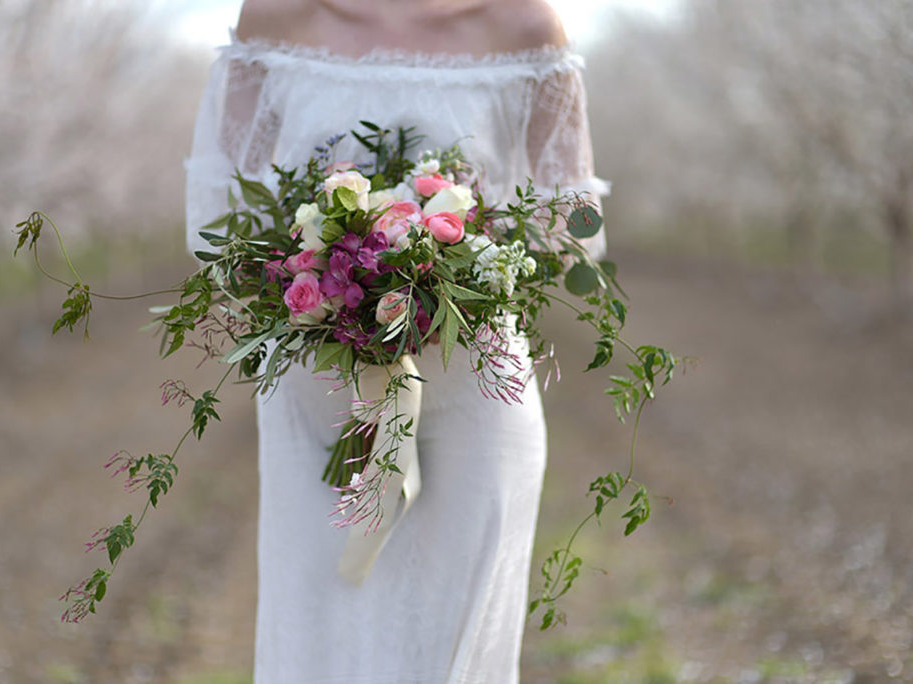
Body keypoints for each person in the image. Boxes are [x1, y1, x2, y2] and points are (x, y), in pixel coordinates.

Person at [184, 1, 608, 681]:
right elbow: (219, 213)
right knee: (324, 632)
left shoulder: (527, 24)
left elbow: (578, 222)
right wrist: (324, 276)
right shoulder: (274, 17)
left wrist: (467, 260)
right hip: (319, 390)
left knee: (453, 642)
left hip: (475, 379)